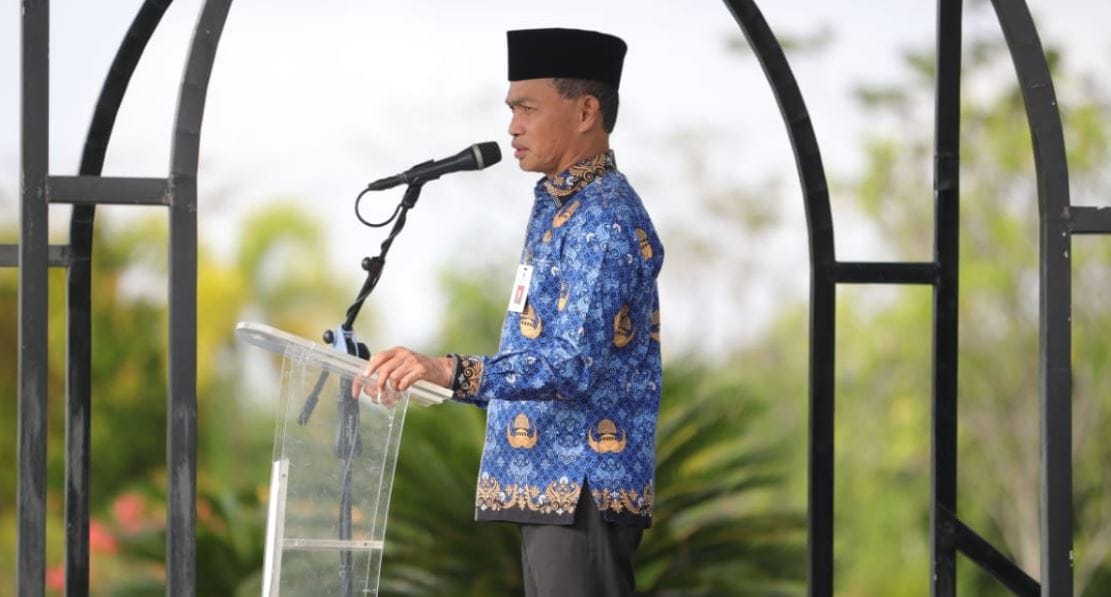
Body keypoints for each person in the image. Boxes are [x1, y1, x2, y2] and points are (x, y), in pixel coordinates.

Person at [353, 27, 663, 597]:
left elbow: (573, 365)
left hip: (581, 488)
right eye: (511, 109)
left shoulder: (603, 218)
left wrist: (449, 370)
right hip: (551, 490)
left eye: (527, 107)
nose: (512, 126)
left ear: (585, 111)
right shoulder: (561, 205)